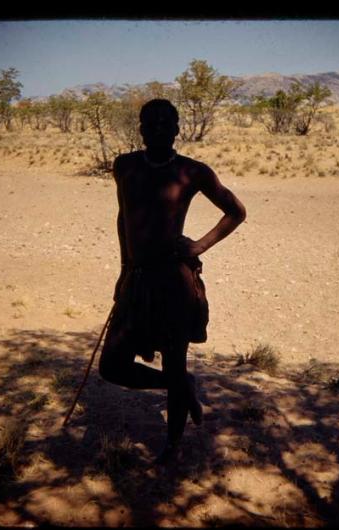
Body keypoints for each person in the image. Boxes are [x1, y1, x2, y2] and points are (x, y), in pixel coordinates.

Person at [98, 99, 246, 464]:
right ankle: (182, 387)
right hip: (137, 279)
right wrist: (123, 269)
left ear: (178, 128)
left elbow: (236, 211)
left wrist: (200, 244)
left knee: (174, 363)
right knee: (112, 365)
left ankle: (172, 444)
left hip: (173, 282)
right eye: (152, 123)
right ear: (142, 128)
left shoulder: (191, 172)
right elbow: (124, 217)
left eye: (168, 123)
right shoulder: (125, 166)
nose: (160, 129)